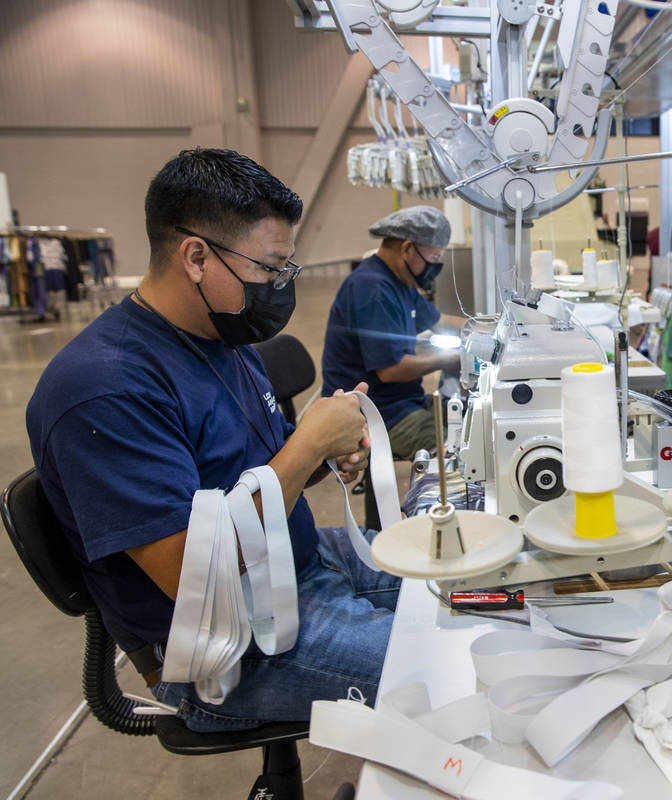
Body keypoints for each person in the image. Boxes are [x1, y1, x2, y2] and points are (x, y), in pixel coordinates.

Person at [26, 148, 401, 732]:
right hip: (224, 645)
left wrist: (328, 451)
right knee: (446, 665)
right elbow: (192, 575)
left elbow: (270, 467)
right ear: (197, 257)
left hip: (294, 564)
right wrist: (307, 447)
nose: (281, 287)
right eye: (271, 268)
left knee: (469, 587)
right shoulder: (105, 388)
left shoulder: (221, 340)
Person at [322, 206, 466, 461]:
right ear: (408, 248)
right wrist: (453, 357)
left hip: (400, 401)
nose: (435, 266)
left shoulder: (400, 281)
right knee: (458, 448)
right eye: (433, 258)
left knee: (467, 420)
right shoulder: (373, 288)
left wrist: (488, 329)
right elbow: (391, 370)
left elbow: (440, 321)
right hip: (376, 413)